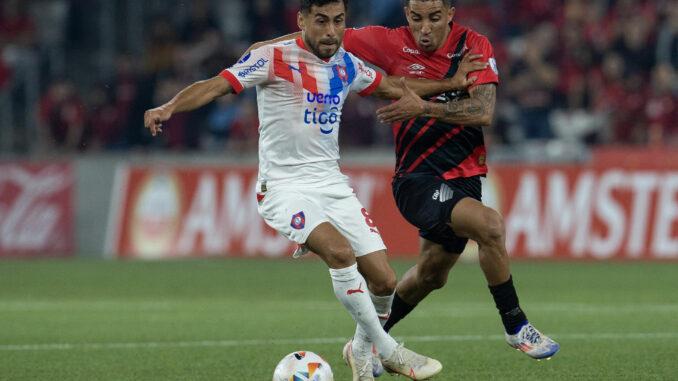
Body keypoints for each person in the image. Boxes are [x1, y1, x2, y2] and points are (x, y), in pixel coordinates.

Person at [144, 1, 485, 379]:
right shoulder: (271, 57)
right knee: (340, 253)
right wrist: (170, 107)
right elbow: (216, 85)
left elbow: (395, 87)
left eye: (338, 22)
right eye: (321, 22)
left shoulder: (346, 64)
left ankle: (359, 351)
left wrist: (451, 84)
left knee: (385, 280)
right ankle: (389, 351)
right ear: (301, 21)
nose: (331, 32)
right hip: (283, 187)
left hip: (331, 184)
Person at [247, 0, 560, 365]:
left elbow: (483, 111)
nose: (424, 28)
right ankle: (516, 325)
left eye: (434, 18)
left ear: (450, 14)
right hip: (417, 179)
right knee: (489, 225)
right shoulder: (386, 41)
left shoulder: (474, 47)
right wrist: (263, 54)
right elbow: (318, 37)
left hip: (467, 176)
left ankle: (364, 345)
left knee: (431, 275)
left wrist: (424, 107)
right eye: (416, 18)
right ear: (406, 14)